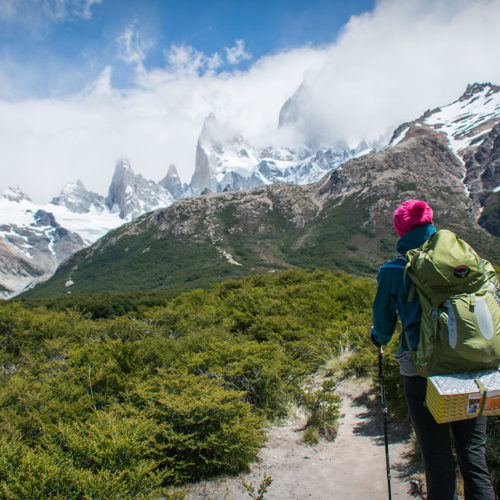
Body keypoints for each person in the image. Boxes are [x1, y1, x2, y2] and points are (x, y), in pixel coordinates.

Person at [370, 199, 496, 500]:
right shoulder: (468, 263)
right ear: (432, 224)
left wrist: (378, 337)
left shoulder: (393, 271)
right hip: (472, 369)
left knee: (437, 458)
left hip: (422, 373)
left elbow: (384, 327)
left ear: (400, 231)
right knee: (473, 457)